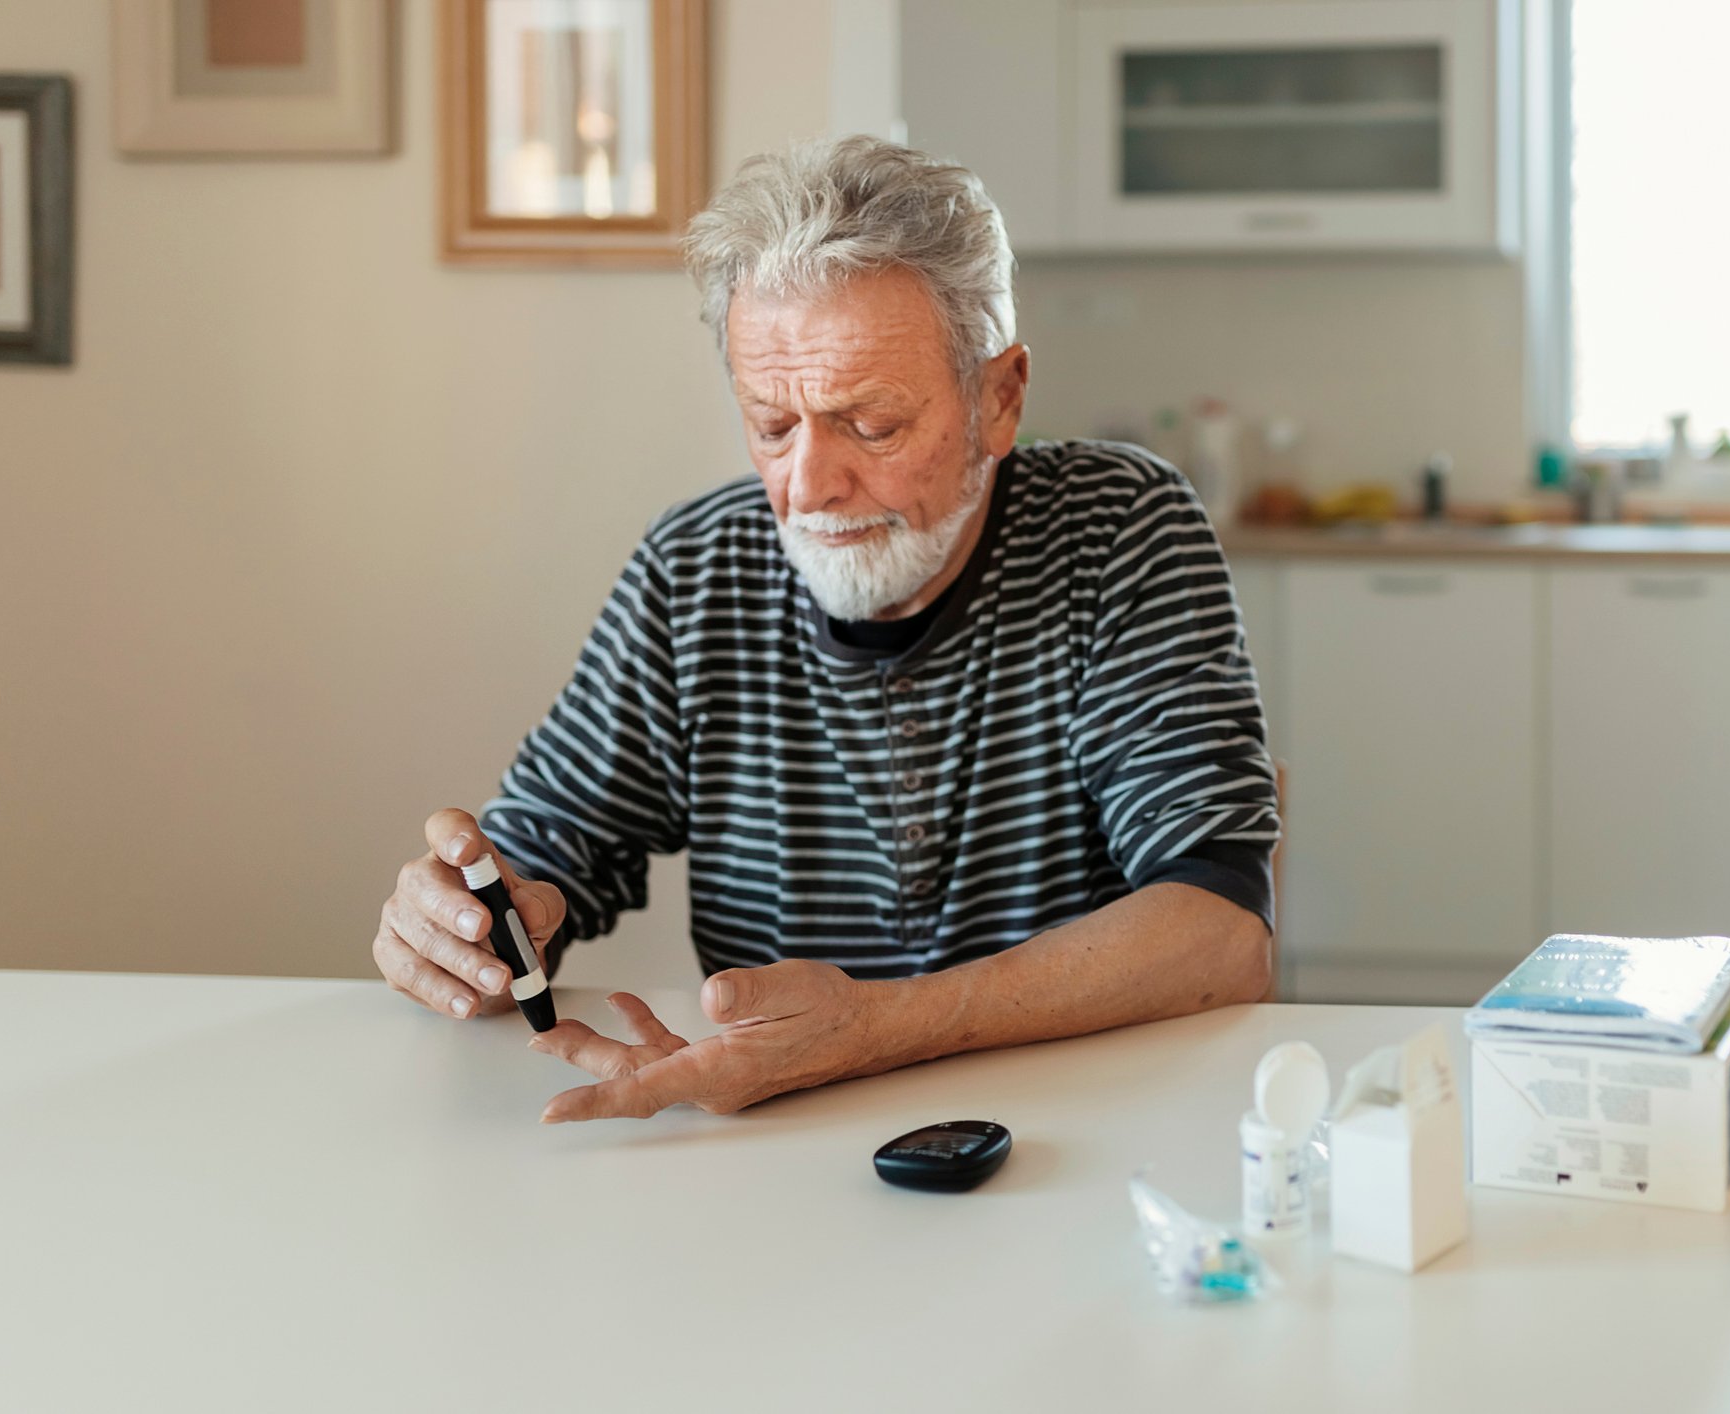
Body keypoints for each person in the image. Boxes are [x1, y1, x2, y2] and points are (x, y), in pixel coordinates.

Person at [371, 136, 1280, 1123]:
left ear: (1000, 398)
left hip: (1089, 1127)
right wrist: (477, 920)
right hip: (774, 1150)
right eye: (771, 424)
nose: (807, 488)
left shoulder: (1118, 527)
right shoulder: (698, 565)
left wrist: (878, 1028)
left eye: (872, 424)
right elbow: (547, 846)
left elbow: (1219, 930)